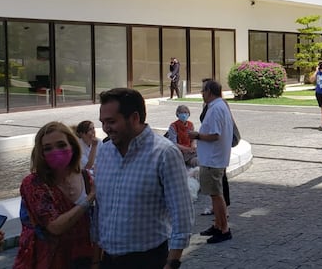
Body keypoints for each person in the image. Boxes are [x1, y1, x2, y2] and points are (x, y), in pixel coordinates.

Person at [96, 88, 194, 269]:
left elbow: (182, 214)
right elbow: (100, 209)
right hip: (108, 259)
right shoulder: (103, 152)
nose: (106, 128)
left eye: (111, 121)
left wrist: (172, 263)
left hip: (149, 259)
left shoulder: (164, 153)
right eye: (103, 122)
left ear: (134, 118)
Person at [14, 122, 96, 268]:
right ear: (41, 153)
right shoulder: (34, 184)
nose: (56, 151)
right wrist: (88, 199)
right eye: (48, 148)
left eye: (61, 145)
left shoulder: (85, 178)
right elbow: (55, 226)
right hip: (46, 261)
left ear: (72, 145)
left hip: (82, 259)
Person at [189, 80, 234, 244]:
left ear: (209, 91)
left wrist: (196, 136)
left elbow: (215, 135)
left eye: (203, 90)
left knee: (216, 195)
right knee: (215, 194)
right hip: (214, 158)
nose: (201, 93)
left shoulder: (216, 109)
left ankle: (224, 229)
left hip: (213, 159)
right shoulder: (219, 106)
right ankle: (217, 225)